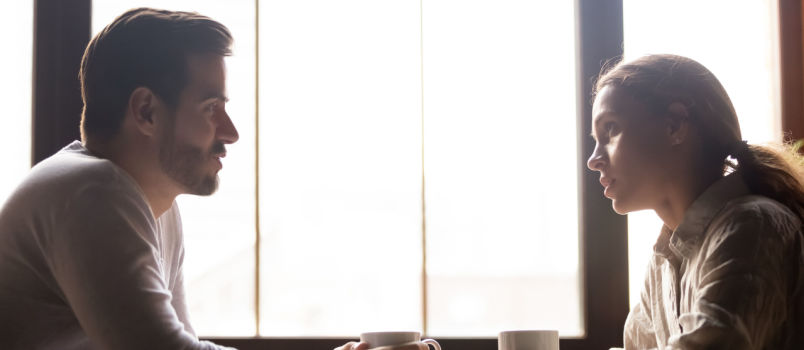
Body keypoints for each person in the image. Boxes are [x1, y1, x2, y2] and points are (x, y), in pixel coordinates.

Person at [0, 8, 239, 349]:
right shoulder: (91, 192)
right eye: (210, 108)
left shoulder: (156, 206)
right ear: (146, 111)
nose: (231, 134)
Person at [587, 54, 804, 349]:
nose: (593, 160)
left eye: (610, 129)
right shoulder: (662, 262)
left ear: (675, 125)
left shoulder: (752, 225)